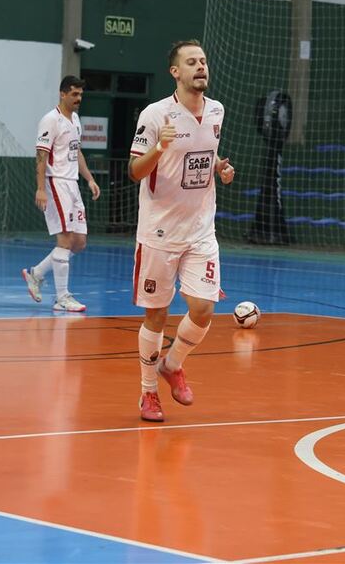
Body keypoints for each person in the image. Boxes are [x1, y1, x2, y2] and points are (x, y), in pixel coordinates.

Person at [127, 40, 235, 423]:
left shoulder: (217, 111)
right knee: (156, 316)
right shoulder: (156, 115)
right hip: (159, 232)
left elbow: (203, 154)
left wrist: (220, 167)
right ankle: (148, 393)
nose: (200, 67)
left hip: (201, 229)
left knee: (203, 309)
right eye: (192, 62)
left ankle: (172, 365)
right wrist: (159, 147)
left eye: (203, 60)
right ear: (176, 72)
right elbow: (135, 170)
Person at [20, 75, 100, 312]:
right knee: (65, 240)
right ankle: (62, 297)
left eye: (81, 95)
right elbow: (41, 155)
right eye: (74, 94)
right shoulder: (50, 120)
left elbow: (77, 152)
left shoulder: (75, 119)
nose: (78, 99)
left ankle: (36, 273)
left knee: (79, 243)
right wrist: (41, 188)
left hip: (73, 184)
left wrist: (90, 178)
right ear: (62, 94)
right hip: (56, 184)